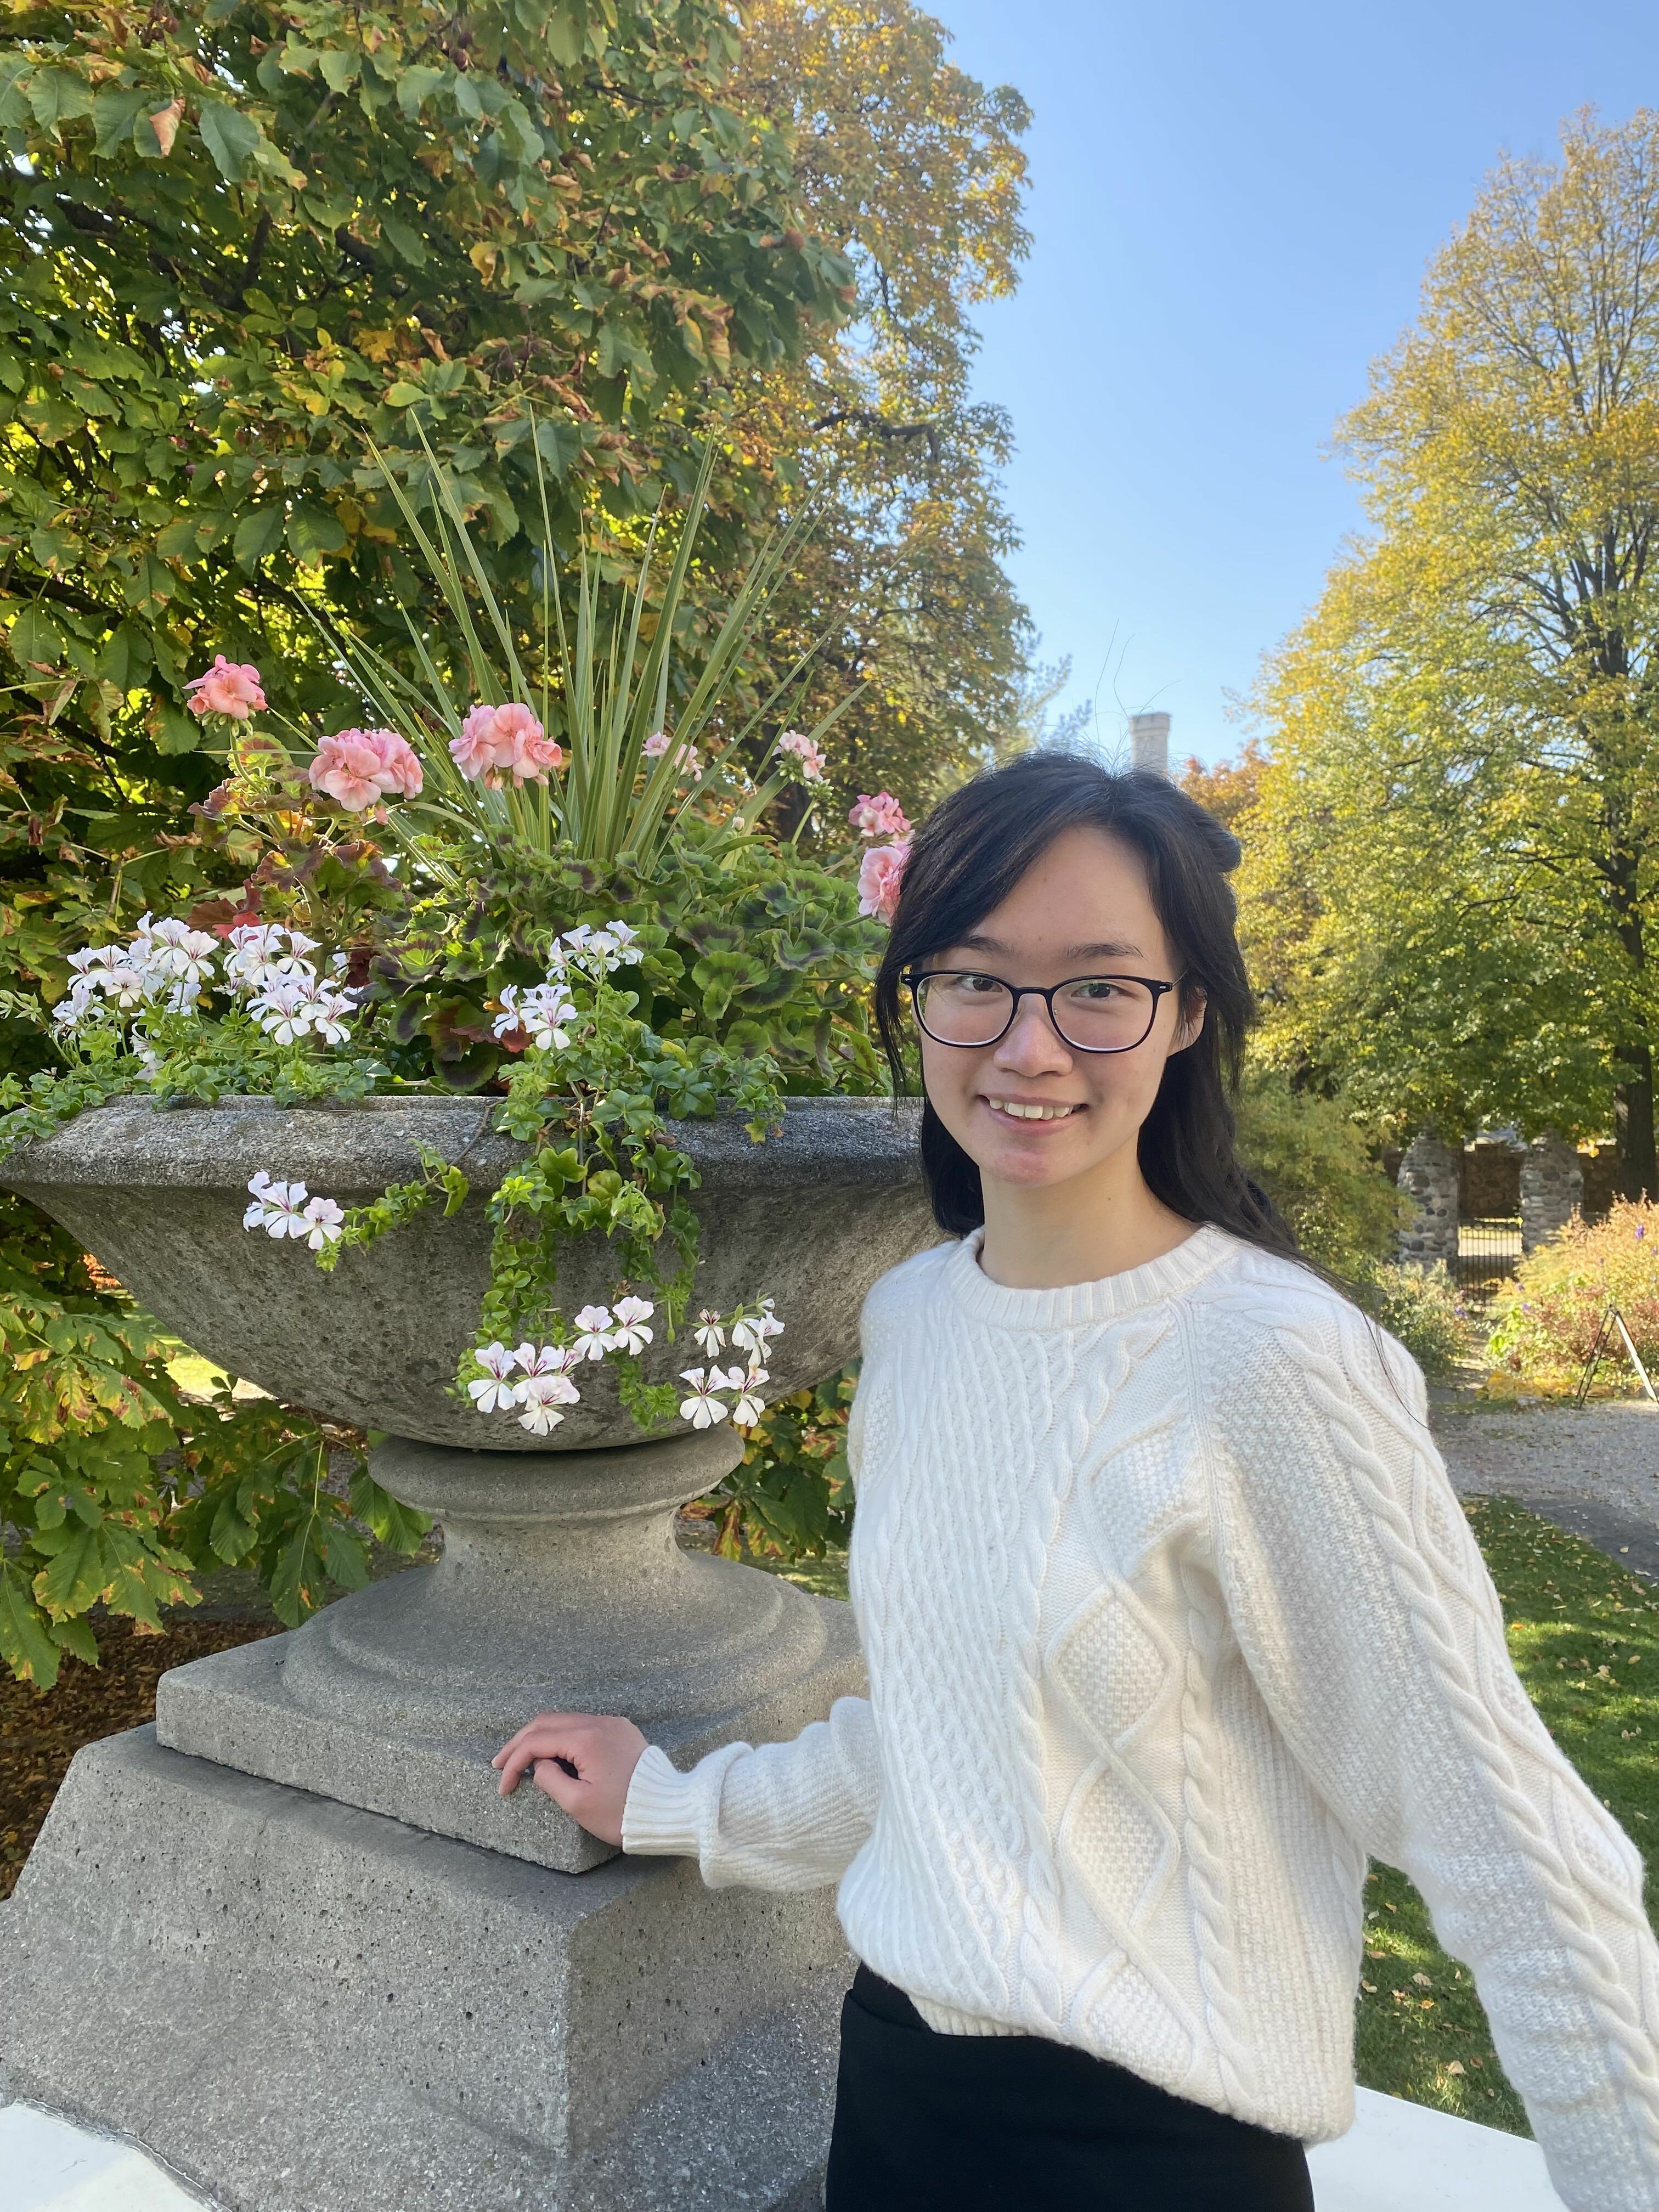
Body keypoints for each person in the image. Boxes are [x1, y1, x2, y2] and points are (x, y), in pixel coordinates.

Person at [493, 754, 1659, 2210]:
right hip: (900, 2103)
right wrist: (673, 1806)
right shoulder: (915, 1321)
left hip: (1148, 2158)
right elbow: (942, 1742)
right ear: (916, 999)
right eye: (974, 979)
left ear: (1183, 1017)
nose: (1028, 1049)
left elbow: (1522, 1866)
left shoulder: (1272, 1363)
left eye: (1100, 988)